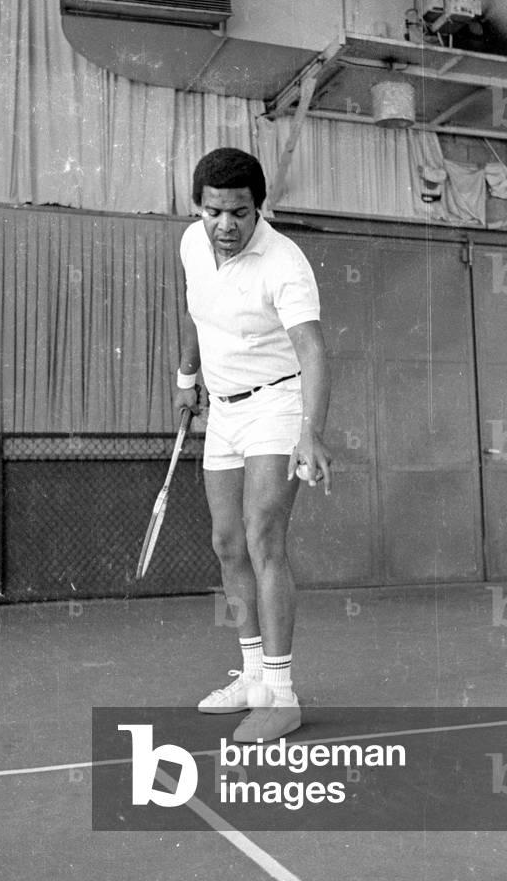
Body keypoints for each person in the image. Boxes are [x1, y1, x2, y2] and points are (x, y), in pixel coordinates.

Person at [174, 147, 332, 743]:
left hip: (277, 403)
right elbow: (193, 311)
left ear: (258, 209)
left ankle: (282, 693)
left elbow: (314, 350)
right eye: (214, 212)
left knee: (264, 537)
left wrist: (309, 432)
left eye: (239, 213)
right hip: (223, 407)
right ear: (199, 208)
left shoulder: (284, 263)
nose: (226, 226)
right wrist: (188, 380)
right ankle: (251, 676)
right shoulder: (193, 245)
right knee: (226, 542)